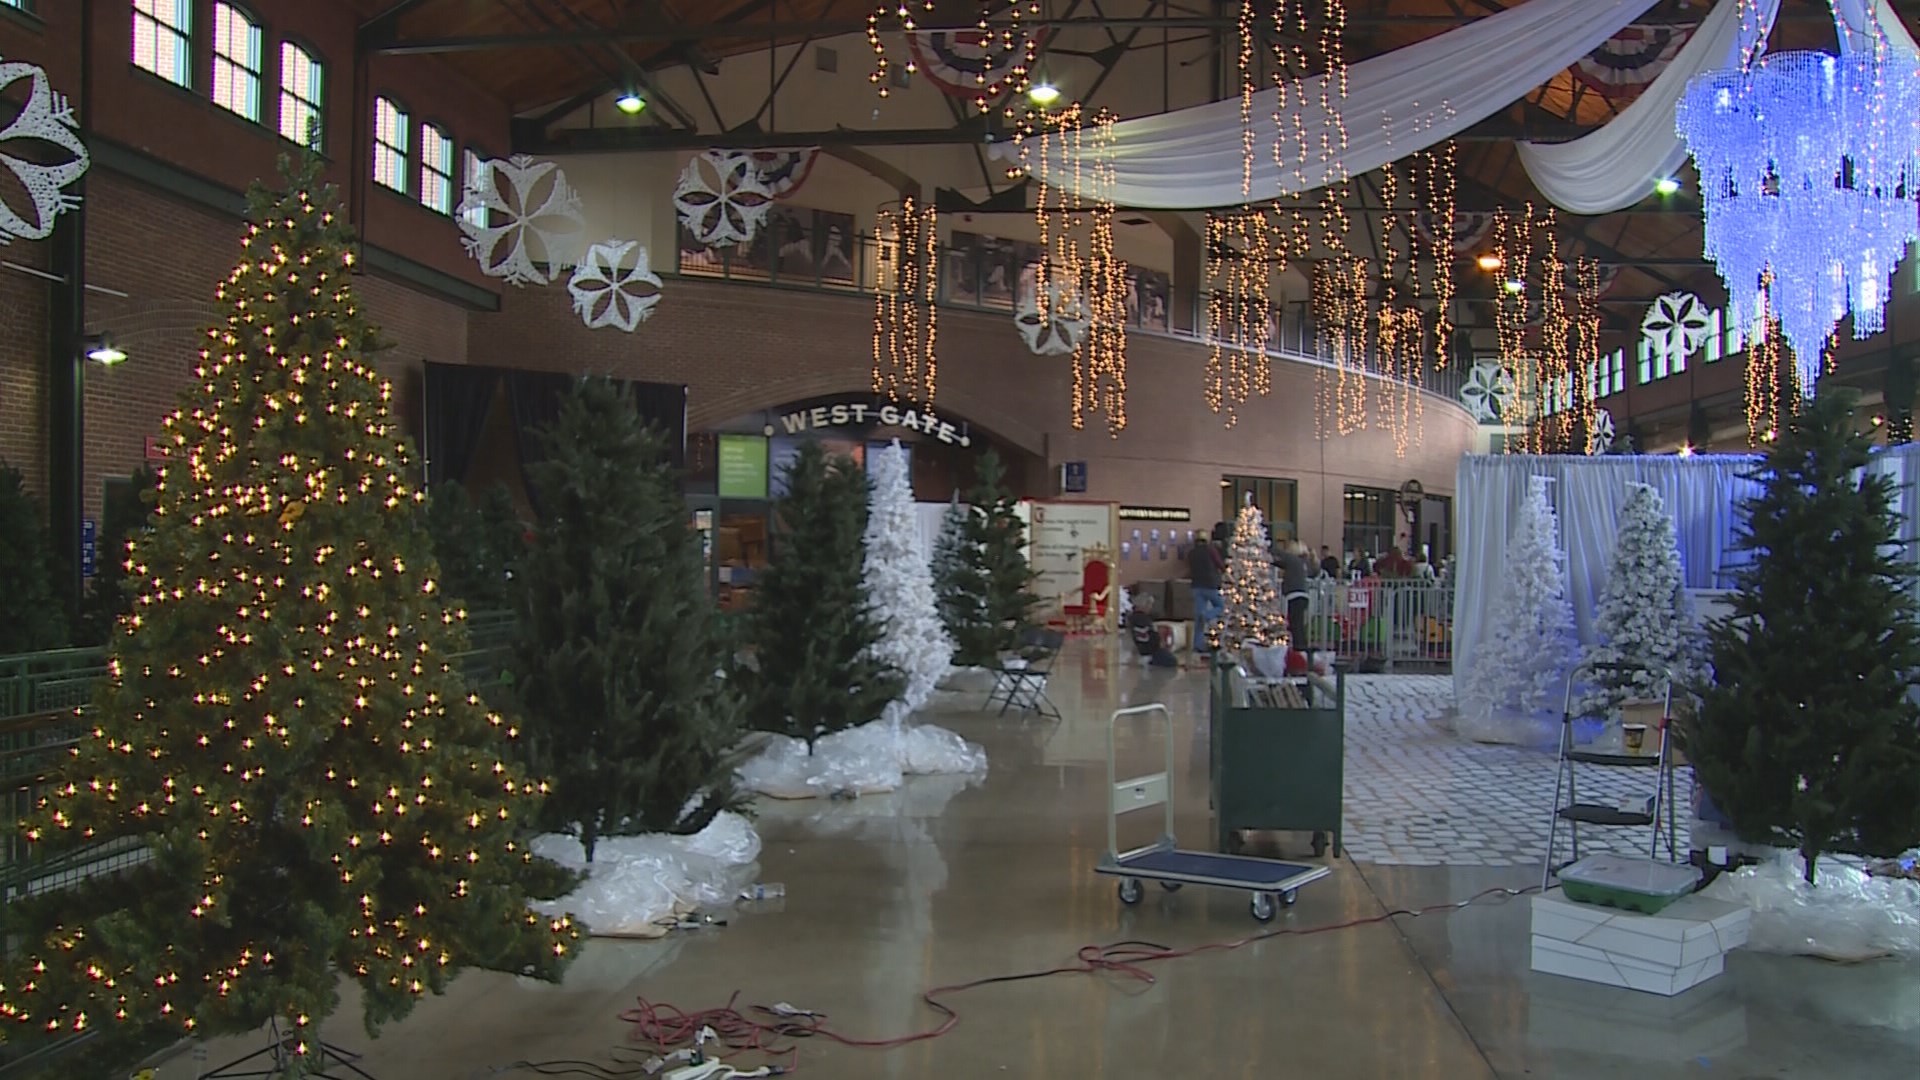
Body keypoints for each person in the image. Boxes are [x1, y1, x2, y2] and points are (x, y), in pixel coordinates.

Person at [1189, 521, 1227, 653]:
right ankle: (1206, 615)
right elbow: (1219, 564)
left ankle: (1197, 645)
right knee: (1221, 607)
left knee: (1198, 619)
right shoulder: (1211, 550)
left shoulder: (1192, 552)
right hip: (1210, 584)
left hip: (1196, 586)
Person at [1124, 591, 1177, 667]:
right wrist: (1160, 637)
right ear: (1145, 605)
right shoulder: (1142, 620)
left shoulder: (1133, 618)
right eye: (1150, 605)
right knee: (1171, 661)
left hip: (1142, 651)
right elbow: (1148, 638)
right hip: (1150, 652)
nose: (1151, 608)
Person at [1279, 540, 1311, 648]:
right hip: (1301, 595)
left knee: (1295, 624)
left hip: (1295, 595)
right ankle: (1301, 646)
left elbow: (1281, 557)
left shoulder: (1293, 560)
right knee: (1298, 623)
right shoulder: (1302, 563)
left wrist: (1265, 548)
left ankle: (1299, 647)